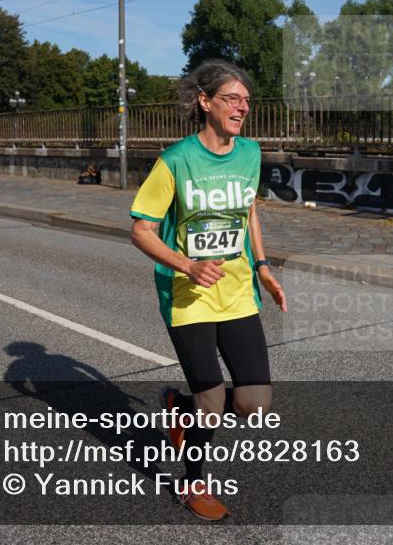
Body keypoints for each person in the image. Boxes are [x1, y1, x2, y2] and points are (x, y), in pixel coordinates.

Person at [129, 59, 287, 521]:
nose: (242, 107)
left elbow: (249, 211)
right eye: (232, 99)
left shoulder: (251, 153)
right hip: (188, 295)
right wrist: (186, 265)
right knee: (213, 404)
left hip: (237, 292)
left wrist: (262, 264)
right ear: (205, 101)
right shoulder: (175, 160)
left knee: (253, 405)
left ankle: (180, 412)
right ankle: (192, 480)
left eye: (246, 101)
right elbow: (141, 230)